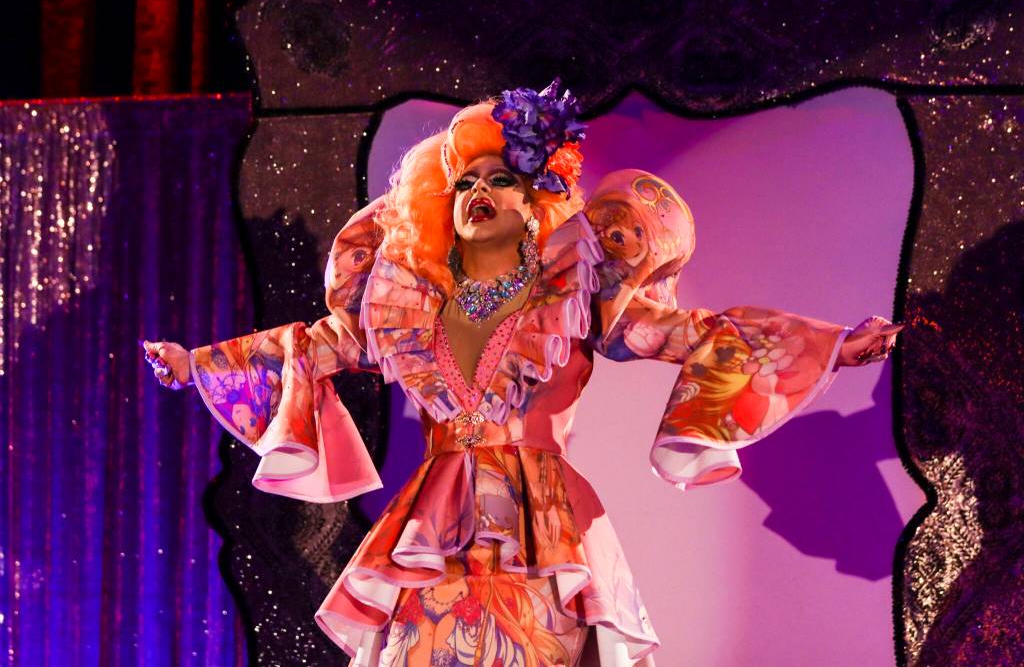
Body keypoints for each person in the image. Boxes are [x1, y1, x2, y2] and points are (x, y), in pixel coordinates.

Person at [143, 81, 903, 667]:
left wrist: (832, 346)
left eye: (501, 179)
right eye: (467, 181)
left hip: (542, 534)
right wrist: (198, 365)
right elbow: (316, 347)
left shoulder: (578, 288)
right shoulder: (408, 303)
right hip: (430, 537)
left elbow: (697, 336)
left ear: (538, 195)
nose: (479, 193)